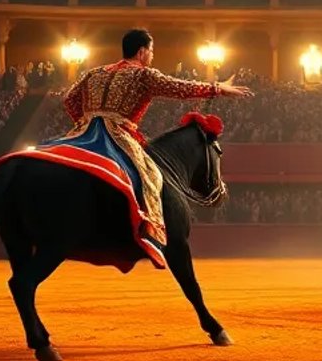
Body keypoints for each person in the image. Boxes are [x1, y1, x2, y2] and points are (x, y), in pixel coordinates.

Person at [46, 28, 250, 259]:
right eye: (151, 51)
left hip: (83, 133)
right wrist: (217, 89)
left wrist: (84, 122)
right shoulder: (143, 75)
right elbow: (179, 88)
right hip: (118, 136)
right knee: (151, 176)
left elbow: (69, 100)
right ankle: (149, 232)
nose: (152, 56)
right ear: (142, 52)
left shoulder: (94, 73)